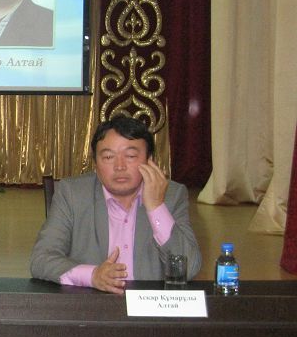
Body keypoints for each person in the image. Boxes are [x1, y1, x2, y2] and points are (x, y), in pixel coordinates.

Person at [30, 116, 201, 294]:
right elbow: (41, 259)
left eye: (130, 156)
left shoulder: (171, 195)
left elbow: (189, 268)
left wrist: (156, 207)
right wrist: (92, 276)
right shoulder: (73, 194)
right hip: (91, 304)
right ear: (95, 164)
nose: (120, 166)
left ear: (149, 160)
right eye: (108, 157)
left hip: (149, 306)